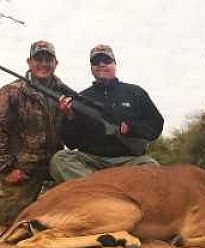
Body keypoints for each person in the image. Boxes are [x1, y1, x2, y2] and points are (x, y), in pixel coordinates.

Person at [50, 44, 164, 183]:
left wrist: (131, 128)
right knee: (60, 160)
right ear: (91, 67)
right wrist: (69, 116)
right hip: (91, 162)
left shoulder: (135, 92)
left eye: (106, 60)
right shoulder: (81, 98)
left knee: (151, 167)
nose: (101, 64)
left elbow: (156, 125)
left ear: (115, 64)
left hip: (128, 161)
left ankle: (96, 187)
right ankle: (105, 188)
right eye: (96, 62)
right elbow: (72, 143)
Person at [0, 40, 72, 226]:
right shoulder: (12, 92)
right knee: (9, 220)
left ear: (56, 63)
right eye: (38, 59)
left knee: (72, 215)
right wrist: (7, 168)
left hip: (55, 166)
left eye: (48, 59)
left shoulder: (68, 95)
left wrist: (70, 116)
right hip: (23, 170)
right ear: (29, 62)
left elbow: (75, 138)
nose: (43, 64)